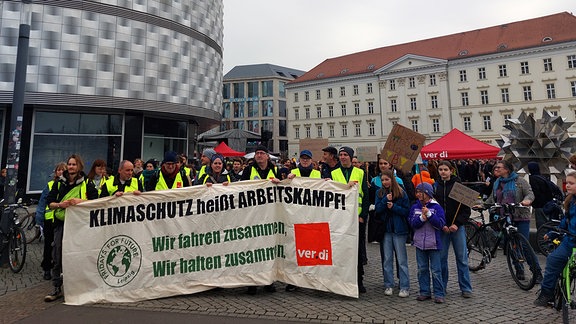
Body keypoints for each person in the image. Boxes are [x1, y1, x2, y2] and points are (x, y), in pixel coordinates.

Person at [44, 154, 98, 302]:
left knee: (79, 255)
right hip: (62, 223)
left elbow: (96, 201)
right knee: (58, 254)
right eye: (69, 164)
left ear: (79, 166)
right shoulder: (59, 183)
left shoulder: (87, 183)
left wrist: (79, 201)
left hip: (80, 225)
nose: (71, 167)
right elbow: (50, 203)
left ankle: (79, 287)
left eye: (74, 164)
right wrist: (61, 205)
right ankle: (56, 287)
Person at [484, 160, 542, 280]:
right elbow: (492, 198)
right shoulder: (497, 183)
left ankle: (537, 273)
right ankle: (519, 269)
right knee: (512, 245)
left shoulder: (520, 181)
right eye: (495, 167)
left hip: (520, 216)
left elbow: (530, 193)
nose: (496, 169)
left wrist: (527, 201)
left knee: (525, 245)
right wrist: (483, 205)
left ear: (507, 169)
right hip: (504, 217)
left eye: (499, 167)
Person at [240, 145, 280, 294]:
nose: (259, 156)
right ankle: (252, 282)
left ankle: (269, 281)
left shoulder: (274, 170)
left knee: (269, 249)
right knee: (253, 249)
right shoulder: (249, 170)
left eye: (262, 153)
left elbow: (284, 187)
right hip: (253, 214)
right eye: (257, 153)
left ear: (267, 156)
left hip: (270, 215)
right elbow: (241, 188)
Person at [330, 146, 369, 294]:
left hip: (355, 219)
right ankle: (340, 280)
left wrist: (362, 216)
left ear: (351, 157)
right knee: (340, 250)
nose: (343, 157)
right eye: (341, 155)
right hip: (340, 219)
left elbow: (365, 196)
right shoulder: (334, 173)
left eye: (346, 154)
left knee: (357, 252)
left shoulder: (360, 173)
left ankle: (359, 281)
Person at [535, 171, 576, 306]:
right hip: (570, 241)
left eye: (571, 183)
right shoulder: (570, 201)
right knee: (553, 260)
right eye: (567, 183)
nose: (567, 186)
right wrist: (554, 233)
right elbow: (565, 221)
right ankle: (547, 293)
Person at [435, 161, 473, 298]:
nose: (443, 172)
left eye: (445, 169)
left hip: (457, 228)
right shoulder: (435, 187)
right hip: (442, 227)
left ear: (451, 171)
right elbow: (434, 208)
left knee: (462, 259)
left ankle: (466, 287)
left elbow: (465, 210)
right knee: (441, 259)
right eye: (440, 169)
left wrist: (457, 223)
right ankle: (442, 287)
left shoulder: (459, 187)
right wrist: (441, 224)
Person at [284, 149, 321, 292]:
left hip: (312, 216)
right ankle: (293, 281)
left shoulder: (317, 174)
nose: (305, 161)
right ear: (300, 160)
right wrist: (288, 179)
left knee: (312, 250)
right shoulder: (294, 173)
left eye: (307, 158)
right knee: (294, 250)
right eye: (303, 158)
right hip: (296, 216)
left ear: (311, 160)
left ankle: (312, 278)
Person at [374, 169, 410, 298]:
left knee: (401, 260)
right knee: (387, 259)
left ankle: (405, 286)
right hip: (386, 231)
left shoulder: (401, 193)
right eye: (382, 180)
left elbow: (406, 211)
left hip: (399, 230)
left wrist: (394, 207)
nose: (385, 182)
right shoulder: (379, 193)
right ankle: (388, 284)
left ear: (392, 179)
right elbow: (377, 209)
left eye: (387, 179)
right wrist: (385, 201)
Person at [409, 182, 446, 303]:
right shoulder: (415, 207)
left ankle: (439, 293)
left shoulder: (437, 207)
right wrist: (421, 219)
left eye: (421, 192)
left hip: (434, 243)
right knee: (422, 269)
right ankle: (424, 291)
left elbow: (440, 224)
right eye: (417, 192)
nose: (418, 194)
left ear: (428, 193)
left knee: (436, 270)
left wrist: (430, 215)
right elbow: (412, 223)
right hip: (419, 243)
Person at [35, 162, 66, 280]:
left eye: (63, 170)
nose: (60, 172)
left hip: (61, 219)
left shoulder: (67, 185)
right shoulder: (50, 185)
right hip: (49, 220)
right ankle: (47, 268)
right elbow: (42, 202)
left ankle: (58, 268)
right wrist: (39, 219)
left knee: (59, 245)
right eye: (58, 170)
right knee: (48, 245)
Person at [527, 161, 562, 229]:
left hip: (540, 206)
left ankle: (541, 239)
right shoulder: (542, 177)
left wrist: (531, 201)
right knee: (546, 225)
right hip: (548, 205)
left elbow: (536, 193)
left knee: (541, 226)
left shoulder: (533, 178)